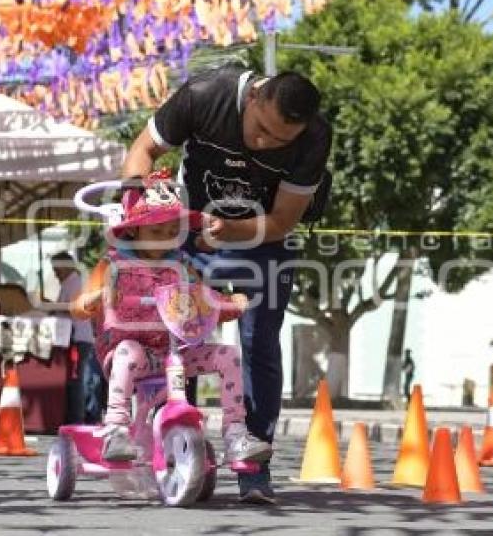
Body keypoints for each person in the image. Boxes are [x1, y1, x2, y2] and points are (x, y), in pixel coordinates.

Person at [121, 64, 332, 504]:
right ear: (254, 97)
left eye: (279, 141)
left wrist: (230, 231)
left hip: (262, 240)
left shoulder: (314, 137)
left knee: (258, 343)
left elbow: (281, 221)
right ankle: (179, 452)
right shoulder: (203, 95)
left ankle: (253, 466)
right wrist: (141, 209)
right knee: (177, 338)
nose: (264, 144)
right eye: (261, 130)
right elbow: (141, 151)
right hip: (189, 231)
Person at [71, 171, 272, 469]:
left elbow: (202, 296)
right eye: (156, 231)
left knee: (227, 356)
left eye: (172, 230)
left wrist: (229, 303)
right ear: (134, 231)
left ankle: (235, 433)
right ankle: (116, 427)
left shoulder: (181, 264)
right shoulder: (115, 263)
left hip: (175, 352)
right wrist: (93, 299)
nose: (166, 238)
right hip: (133, 349)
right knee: (127, 353)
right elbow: (78, 307)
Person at [51, 251, 105, 425]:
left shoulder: (76, 282)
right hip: (75, 337)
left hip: (81, 337)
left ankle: (83, 418)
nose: (55, 273)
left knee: (82, 380)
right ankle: (81, 416)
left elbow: (77, 307)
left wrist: (53, 307)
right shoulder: (70, 282)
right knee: (81, 380)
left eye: (56, 269)